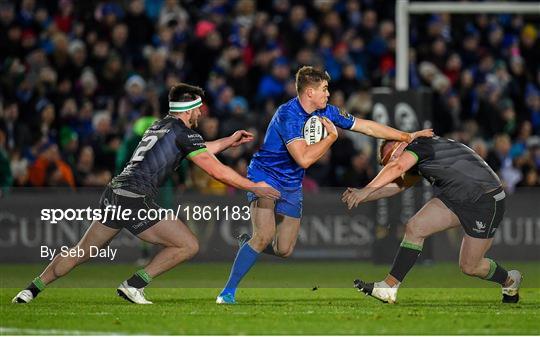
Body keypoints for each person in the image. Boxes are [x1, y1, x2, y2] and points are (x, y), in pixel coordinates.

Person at [12, 83, 280, 305]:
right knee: (188, 245)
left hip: (116, 193)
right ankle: (133, 285)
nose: (201, 112)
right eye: (198, 107)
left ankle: (30, 290)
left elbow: (198, 148)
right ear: (188, 110)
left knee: (83, 251)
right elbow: (218, 172)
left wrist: (228, 140)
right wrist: (255, 187)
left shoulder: (160, 126)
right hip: (136, 199)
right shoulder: (184, 134)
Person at [216, 66, 433, 304]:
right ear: (310, 92)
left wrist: (407, 136)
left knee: (284, 249)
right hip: (265, 177)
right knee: (264, 234)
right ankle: (227, 292)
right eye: (324, 89)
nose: (328, 94)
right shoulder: (287, 114)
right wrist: (331, 138)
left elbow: (366, 126)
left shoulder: (327, 112)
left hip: (292, 183)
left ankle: (249, 244)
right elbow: (304, 159)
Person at [342, 136, 522, 303]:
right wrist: (362, 196)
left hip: (485, 200)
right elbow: (397, 186)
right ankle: (389, 287)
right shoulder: (418, 157)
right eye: (389, 160)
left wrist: (366, 189)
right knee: (415, 227)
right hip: (455, 197)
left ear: (403, 144)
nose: (393, 161)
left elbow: (397, 168)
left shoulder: (420, 145)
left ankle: (509, 280)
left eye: (392, 154)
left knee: (470, 266)